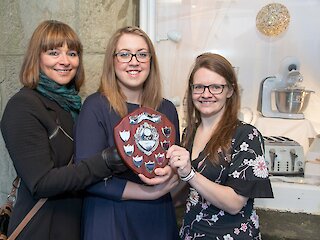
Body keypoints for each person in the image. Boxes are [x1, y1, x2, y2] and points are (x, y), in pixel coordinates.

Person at [0, 20, 127, 240]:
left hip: (76, 225)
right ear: (36, 57)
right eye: (53, 52)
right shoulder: (23, 106)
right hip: (43, 228)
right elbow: (41, 183)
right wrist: (105, 161)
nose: (65, 61)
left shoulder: (73, 106)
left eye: (72, 53)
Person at [74, 26, 180, 240]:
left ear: (151, 61)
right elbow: (86, 176)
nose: (134, 61)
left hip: (157, 218)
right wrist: (150, 193)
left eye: (142, 54)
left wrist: (172, 173)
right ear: (112, 61)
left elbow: (173, 164)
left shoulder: (166, 109)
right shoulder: (95, 107)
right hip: (110, 218)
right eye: (124, 54)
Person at [167, 53, 274, 239]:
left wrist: (189, 174)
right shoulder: (189, 134)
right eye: (199, 87)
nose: (206, 94)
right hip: (192, 233)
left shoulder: (246, 135)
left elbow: (234, 203)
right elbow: (185, 190)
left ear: (230, 91)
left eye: (216, 87)